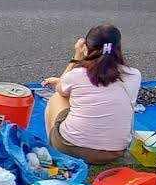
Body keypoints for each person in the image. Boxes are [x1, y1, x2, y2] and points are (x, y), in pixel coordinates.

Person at [42, 25, 141, 165]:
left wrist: (77, 57)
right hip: (115, 152)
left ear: (86, 47)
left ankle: (54, 152)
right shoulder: (134, 75)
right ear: (118, 49)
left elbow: (61, 89)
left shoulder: (77, 75)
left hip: (71, 147)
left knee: (57, 98)